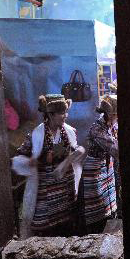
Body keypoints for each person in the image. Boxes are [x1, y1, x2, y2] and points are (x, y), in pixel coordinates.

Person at [12, 94, 85, 237]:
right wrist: (32, 161)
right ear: (50, 115)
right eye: (61, 113)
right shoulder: (37, 134)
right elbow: (20, 157)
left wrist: (72, 156)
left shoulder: (69, 131)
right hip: (46, 192)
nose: (65, 116)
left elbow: (75, 148)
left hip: (65, 189)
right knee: (45, 228)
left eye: (66, 112)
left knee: (66, 227)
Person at [80, 94, 119, 234]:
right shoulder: (97, 129)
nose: (118, 117)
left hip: (107, 171)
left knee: (109, 207)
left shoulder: (113, 126)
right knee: (97, 207)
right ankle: (95, 234)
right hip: (95, 172)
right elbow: (115, 150)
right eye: (116, 115)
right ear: (110, 114)